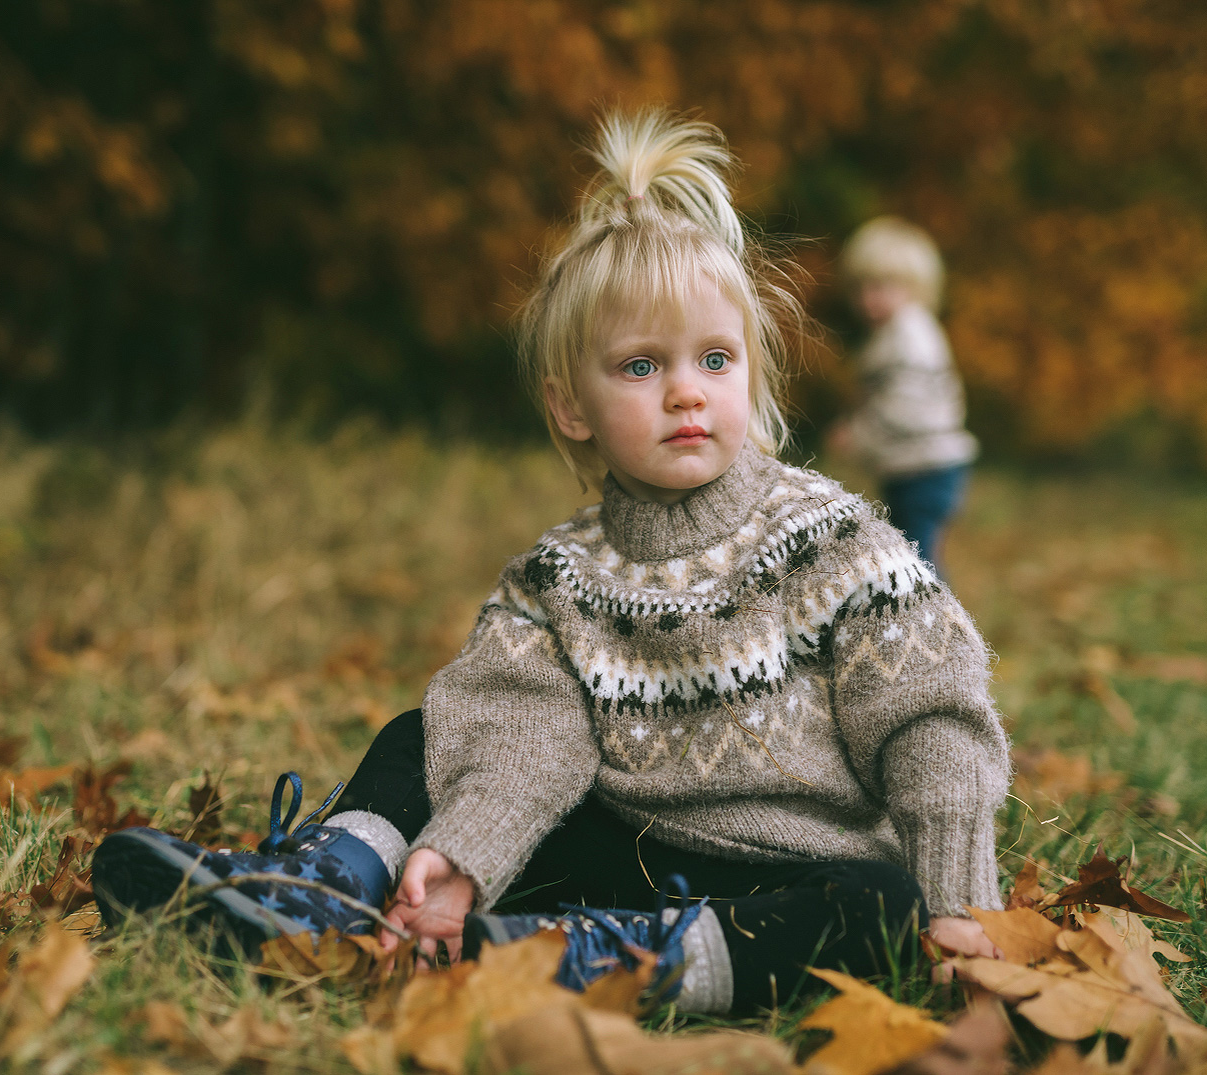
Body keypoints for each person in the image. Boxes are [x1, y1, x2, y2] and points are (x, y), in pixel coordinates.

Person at [93, 110, 1009, 1015]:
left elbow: (931, 720)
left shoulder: (835, 542)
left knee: (877, 909)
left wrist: (963, 906)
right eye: (642, 367)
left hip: (788, 869)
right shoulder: (557, 579)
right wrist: (462, 854)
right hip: (621, 848)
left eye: (715, 359)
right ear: (571, 405)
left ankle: (581, 961)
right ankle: (326, 890)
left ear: (753, 379)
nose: (687, 389)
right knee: (427, 734)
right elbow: (524, 740)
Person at [834, 217, 978, 572]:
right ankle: (926, 619)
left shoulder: (910, 333)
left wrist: (858, 435)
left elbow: (903, 406)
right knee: (913, 553)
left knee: (918, 562)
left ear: (916, 287)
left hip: (927, 468)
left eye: (883, 286)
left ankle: (936, 623)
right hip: (913, 467)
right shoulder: (893, 334)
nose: (870, 299)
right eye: (862, 287)